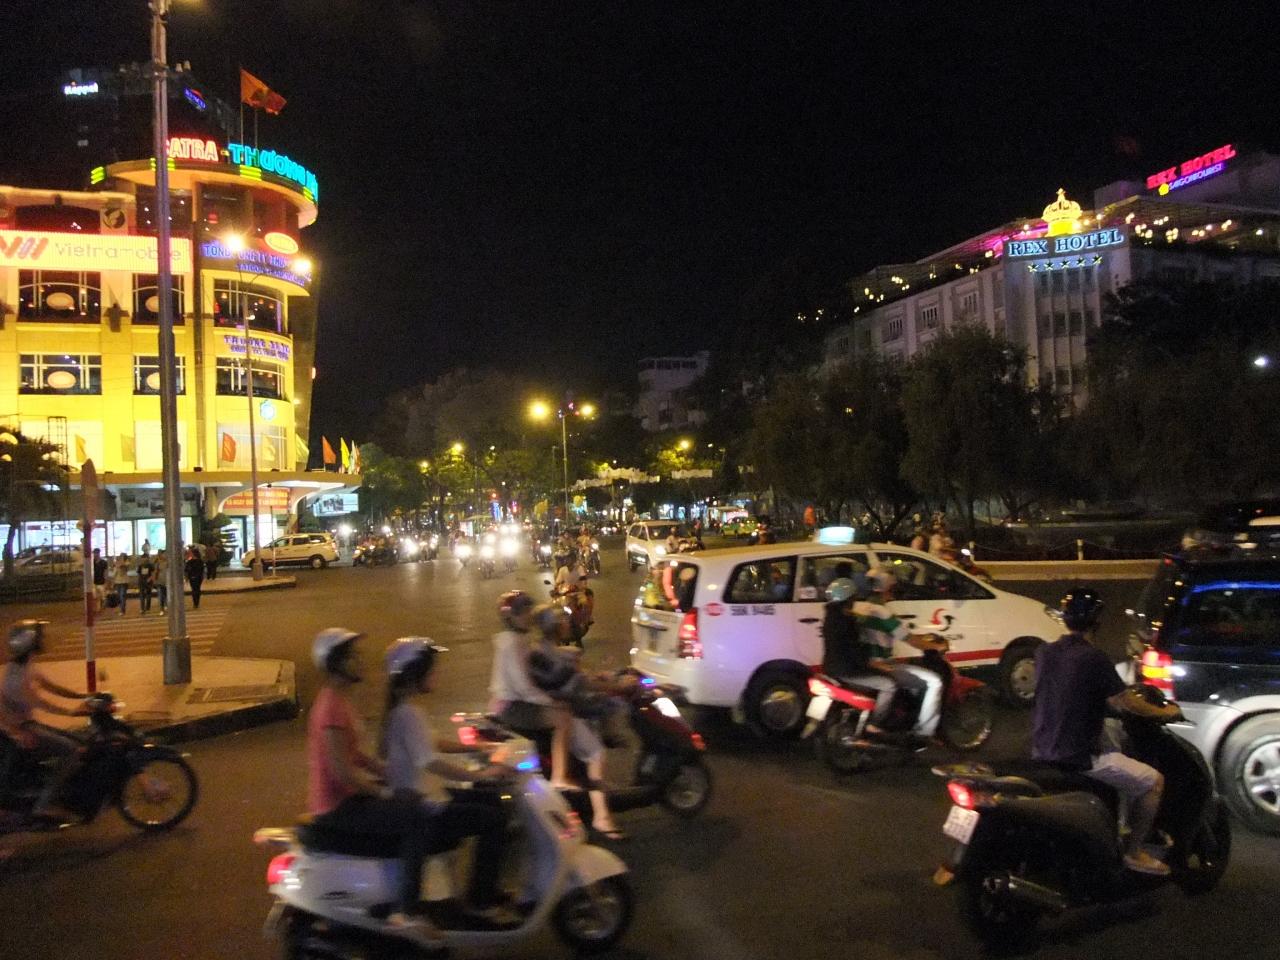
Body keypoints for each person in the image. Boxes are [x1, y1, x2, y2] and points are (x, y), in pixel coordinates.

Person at [306, 628, 441, 944]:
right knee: (416, 816)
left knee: (411, 799)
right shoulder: (331, 708)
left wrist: (385, 771)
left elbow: (355, 755)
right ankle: (406, 912)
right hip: (336, 807)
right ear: (336, 663)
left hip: (345, 799)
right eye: (352, 656)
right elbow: (343, 773)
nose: (360, 661)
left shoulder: (339, 701)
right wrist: (383, 790)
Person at [1032, 589, 1171, 877]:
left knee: (1113, 735)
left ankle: (1117, 821)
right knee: (1154, 782)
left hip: (1043, 746)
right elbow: (1125, 702)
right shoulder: (1094, 658)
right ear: (1097, 622)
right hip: (1079, 755)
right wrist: (1164, 712)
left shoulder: (1044, 652)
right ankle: (1134, 852)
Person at [381, 637, 515, 921]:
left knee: (494, 801)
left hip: (431, 796)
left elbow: (432, 743)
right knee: (494, 819)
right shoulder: (408, 713)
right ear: (415, 674)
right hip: (426, 806)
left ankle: (483, 889)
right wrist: (480, 774)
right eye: (431, 668)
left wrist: (475, 747)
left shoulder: (406, 709)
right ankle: (481, 899)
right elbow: (429, 760)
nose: (436, 673)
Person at [526, 604, 626, 840]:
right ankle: (601, 817)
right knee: (596, 753)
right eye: (562, 621)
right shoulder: (550, 656)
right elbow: (579, 684)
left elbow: (577, 677)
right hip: (563, 710)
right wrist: (618, 686)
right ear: (554, 626)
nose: (567, 624)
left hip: (556, 707)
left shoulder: (542, 650)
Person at [0, 620, 88, 820]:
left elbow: (50, 686)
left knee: (79, 739)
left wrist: (82, 696)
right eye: (40, 637)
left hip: (26, 725)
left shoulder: (24, 666)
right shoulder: (17, 678)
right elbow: (41, 703)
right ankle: (44, 804)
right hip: (21, 730)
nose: (44, 639)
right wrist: (72, 713)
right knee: (71, 750)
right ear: (29, 642)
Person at [849, 568, 947, 737]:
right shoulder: (882, 612)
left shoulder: (857, 608)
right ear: (888, 588)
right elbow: (909, 639)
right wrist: (936, 647)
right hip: (881, 665)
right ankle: (924, 732)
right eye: (893, 587)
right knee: (934, 682)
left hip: (860, 664)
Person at [136, 549, 156, 616]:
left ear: (147, 558)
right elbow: (138, 574)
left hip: (148, 582)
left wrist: (150, 579)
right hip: (141, 581)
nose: (144, 560)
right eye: (143, 558)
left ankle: (147, 607)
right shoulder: (140, 566)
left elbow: (153, 573)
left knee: (148, 594)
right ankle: (142, 608)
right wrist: (139, 581)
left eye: (145, 558)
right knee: (142, 595)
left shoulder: (150, 565)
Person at [154, 549, 169, 613]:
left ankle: (166, 605)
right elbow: (156, 571)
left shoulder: (168, 562)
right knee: (160, 595)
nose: (164, 555)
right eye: (163, 554)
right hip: (160, 581)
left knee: (166, 594)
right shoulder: (158, 562)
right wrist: (155, 580)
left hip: (167, 581)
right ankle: (161, 608)